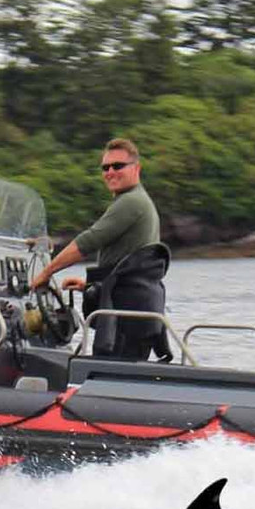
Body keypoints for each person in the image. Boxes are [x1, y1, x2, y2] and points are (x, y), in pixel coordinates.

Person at [29, 138, 170, 360]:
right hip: (135, 309)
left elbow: (88, 242)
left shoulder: (131, 202)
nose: (110, 172)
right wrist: (89, 286)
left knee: (111, 373)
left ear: (136, 168)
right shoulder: (134, 201)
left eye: (118, 166)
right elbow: (129, 266)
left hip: (127, 315)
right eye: (106, 167)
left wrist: (45, 273)